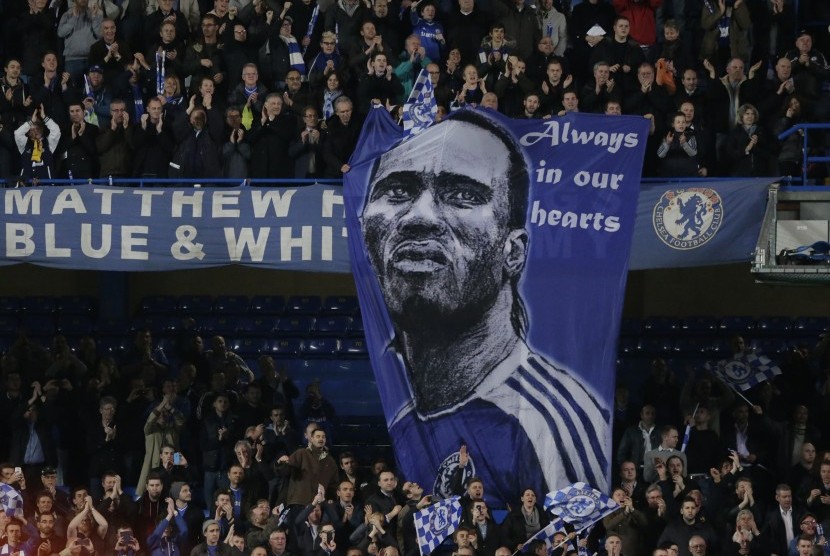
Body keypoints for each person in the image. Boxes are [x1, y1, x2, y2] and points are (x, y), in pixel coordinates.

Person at [358, 109, 610, 503]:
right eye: (398, 190)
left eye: (463, 195)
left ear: (513, 252)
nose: (418, 217)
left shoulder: (547, 423)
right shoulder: (408, 419)